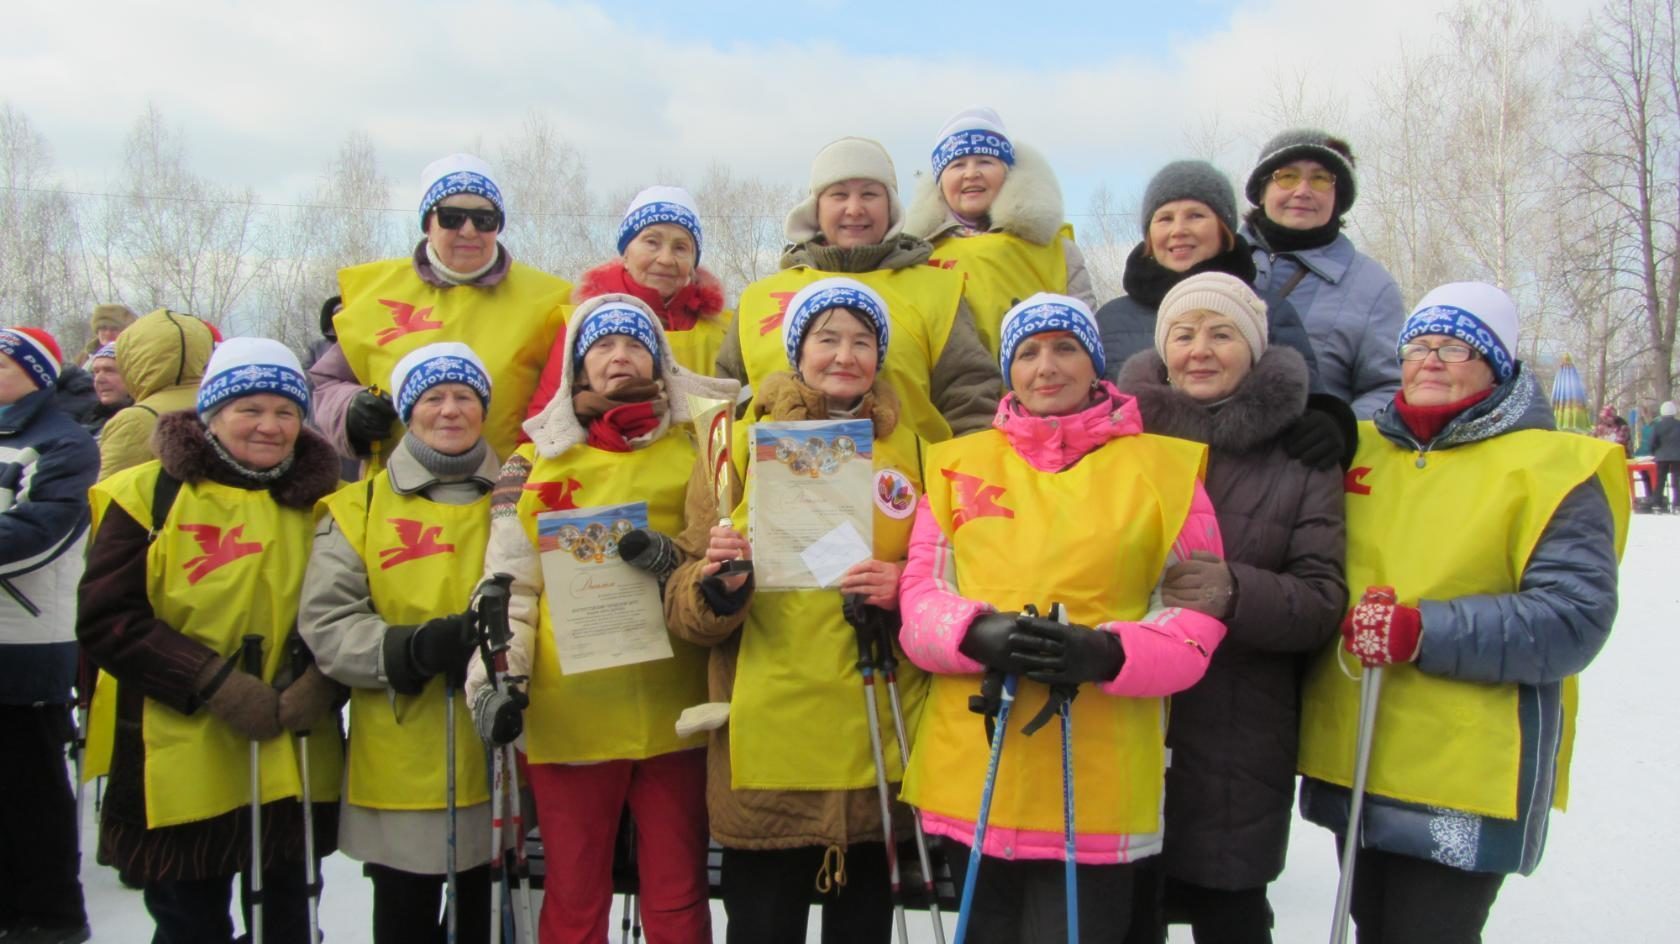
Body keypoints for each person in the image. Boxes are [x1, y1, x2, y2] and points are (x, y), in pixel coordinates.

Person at [1297, 282, 1626, 943]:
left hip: (1470, 764)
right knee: (1374, 923)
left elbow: (1571, 618)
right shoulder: (1357, 448)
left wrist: (1423, 631)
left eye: (1457, 346)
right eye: (1419, 345)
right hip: (1362, 742)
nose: (1433, 360)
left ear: (1499, 364)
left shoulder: (1555, 467)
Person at [896, 294, 1227, 942]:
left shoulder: (1165, 471)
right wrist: (973, 632)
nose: (1046, 366)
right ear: (1008, 370)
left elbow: (1198, 616)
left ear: (1095, 363)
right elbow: (920, 597)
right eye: (1028, 352)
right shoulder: (957, 465)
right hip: (978, 764)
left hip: (1099, 776)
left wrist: (1110, 653)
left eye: (1065, 347)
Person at [664, 278, 929, 943]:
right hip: (768, 747)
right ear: (797, 350)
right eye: (827, 339)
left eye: (862, 341)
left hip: (873, 740)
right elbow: (683, 595)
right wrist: (716, 588)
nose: (845, 355)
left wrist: (905, 584)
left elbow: (945, 567)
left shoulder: (914, 451)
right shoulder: (737, 446)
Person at [471, 296, 736, 944]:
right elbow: (510, 589)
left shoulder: (700, 449)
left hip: (675, 712)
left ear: (659, 359)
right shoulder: (531, 463)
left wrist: (675, 561)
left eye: (635, 344)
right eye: (603, 346)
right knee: (574, 892)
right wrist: (498, 681)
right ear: (577, 367)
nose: (620, 356)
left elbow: (718, 556)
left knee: (676, 895)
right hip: (572, 716)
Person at [77, 338, 346, 944]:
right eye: (249, 409)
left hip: (291, 735)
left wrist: (323, 681)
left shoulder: (326, 503)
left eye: (285, 411)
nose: (269, 426)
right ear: (212, 414)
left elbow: (354, 605)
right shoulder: (148, 494)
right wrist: (212, 682)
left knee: (289, 914)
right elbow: (108, 618)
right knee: (189, 918)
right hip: (177, 741)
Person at [1113, 274, 1347, 943]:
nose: (1200, 351)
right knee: (1125, 913)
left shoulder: (1301, 459)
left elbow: (1321, 599)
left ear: (1254, 348)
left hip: (1240, 729)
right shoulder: (1123, 448)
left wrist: (1235, 592)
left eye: (1222, 334)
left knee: (1230, 912)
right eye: (1183, 335)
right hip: (1129, 723)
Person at [299, 342, 500, 944]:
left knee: (488, 919)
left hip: (503, 749)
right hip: (403, 741)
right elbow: (328, 623)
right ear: (408, 411)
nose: (450, 411)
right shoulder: (356, 507)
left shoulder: (525, 496)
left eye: (464, 396)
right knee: (405, 917)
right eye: (432, 398)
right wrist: (408, 650)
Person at [716, 136, 1001, 444]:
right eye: (839, 195)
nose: (854, 209)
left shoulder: (938, 291)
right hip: (781, 484)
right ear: (816, 207)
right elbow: (725, 411)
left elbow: (972, 402)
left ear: (890, 205)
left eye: (869, 194)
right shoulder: (759, 298)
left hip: (910, 485)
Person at [311, 153, 572, 464]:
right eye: (452, 217)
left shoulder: (551, 300)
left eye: (485, 219)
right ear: (427, 223)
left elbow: (575, 390)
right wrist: (348, 409)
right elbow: (326, 382)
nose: (469, 231)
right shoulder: (374, 294)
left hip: (508, 493)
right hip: (399, 496)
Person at [1098, 159, 1354, 469]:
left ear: (1224, 229)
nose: (1179, 230)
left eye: (1195, 215)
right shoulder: (1110, 319)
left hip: (1253, 485)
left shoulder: (1267, 309)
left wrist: (1330, 424)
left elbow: (1309, 398)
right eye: (1164, 218)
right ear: (1149, 235)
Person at [0, 327, 99, 944]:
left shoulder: (63, 443)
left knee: (29, 784)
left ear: (33, 371)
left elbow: (45, 530)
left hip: (27, 641)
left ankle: (51, 915)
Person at [527, 187, 731, 425]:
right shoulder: (581, 323)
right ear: (626, 253)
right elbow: (545, 420)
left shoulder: (722, 331)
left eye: (680, 247)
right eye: (652, 242)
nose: (665, 259)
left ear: (693, 261)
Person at [903, 105, 1095, 355]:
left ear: (1008, 173)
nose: (971, 174)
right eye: (958, 165)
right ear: (940, 183)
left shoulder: (1057, 251)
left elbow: (1084, 338)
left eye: (985, 161)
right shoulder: (916, 256)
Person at [1241, 129, 1405, 418]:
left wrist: (1341, 428)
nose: (1302, 191)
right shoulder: (1214, 260)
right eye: (1287, 176)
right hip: (1201, 455)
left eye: (1320, 179)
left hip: (1306, 460)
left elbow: (1388, 387)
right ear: (1262, 191)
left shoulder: (1372, 286)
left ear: (1337, 198)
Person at [96, 308, 216, 481]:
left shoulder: (134, 421)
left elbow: (108, 500)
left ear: (133, 357)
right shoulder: (222, 405)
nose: (99, 378)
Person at [80, 342, 132, 438]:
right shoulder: (89, 416)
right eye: (96, 372)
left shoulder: (141, 420)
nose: (99, 380)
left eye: (109, 370)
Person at [77, 303, 137, 368]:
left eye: (114, 329)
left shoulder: (134, 356)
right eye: (103, 328)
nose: (108, 333)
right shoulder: (84, 358)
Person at [1648, 400, 1680, 511]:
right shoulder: (1678, 425)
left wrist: (1653, 452)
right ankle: (1677, 504)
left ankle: (1657, 503)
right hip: (1677, 457)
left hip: (1661, 457)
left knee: (1660, 480)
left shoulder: (1658, 426)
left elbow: (1652, 442)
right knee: (1677, 480)